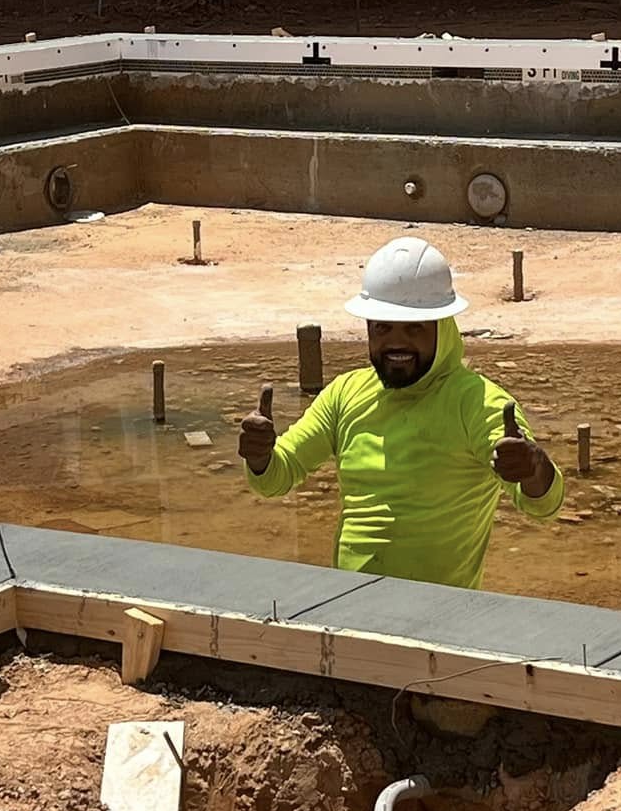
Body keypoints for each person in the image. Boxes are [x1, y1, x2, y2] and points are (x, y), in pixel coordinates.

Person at [238, 236, 563, 590]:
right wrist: (260, 457)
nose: (396, 342)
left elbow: (542, 505)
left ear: (444, 327)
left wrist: (534, 467)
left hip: (442, 618)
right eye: (382, 327)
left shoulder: (478, 403)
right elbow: (277, 477)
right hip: (350, 610)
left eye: (414, 328)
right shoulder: (345, 394)